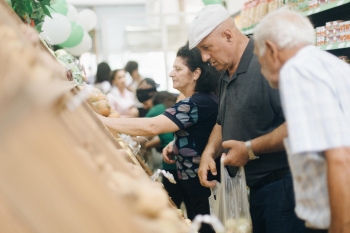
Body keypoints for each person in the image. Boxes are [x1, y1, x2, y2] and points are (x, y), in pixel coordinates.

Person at [188, 4, 306, 233]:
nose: (204, 57)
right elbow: (222, 121)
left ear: (228, 35)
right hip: (253, 189)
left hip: (285, 189)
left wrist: (250, 149)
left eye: (206, 48)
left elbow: (299, 125)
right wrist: (208, 153)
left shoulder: (269, 64)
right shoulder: (224, 74)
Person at [98, 45, 220, 233]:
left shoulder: (196, 103)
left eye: (178, 69)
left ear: (196, 73)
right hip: (198, 184)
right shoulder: (202, 100)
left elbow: (151, 127)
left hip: (203, 187)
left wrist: (101, 120)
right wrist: (176, 143)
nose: (171, 73)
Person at [253, 10, 350, 233]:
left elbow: (340, 157)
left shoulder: (296, 70)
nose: (261, 69)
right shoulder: (335, 67)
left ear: (271, 49)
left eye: (260, 58)